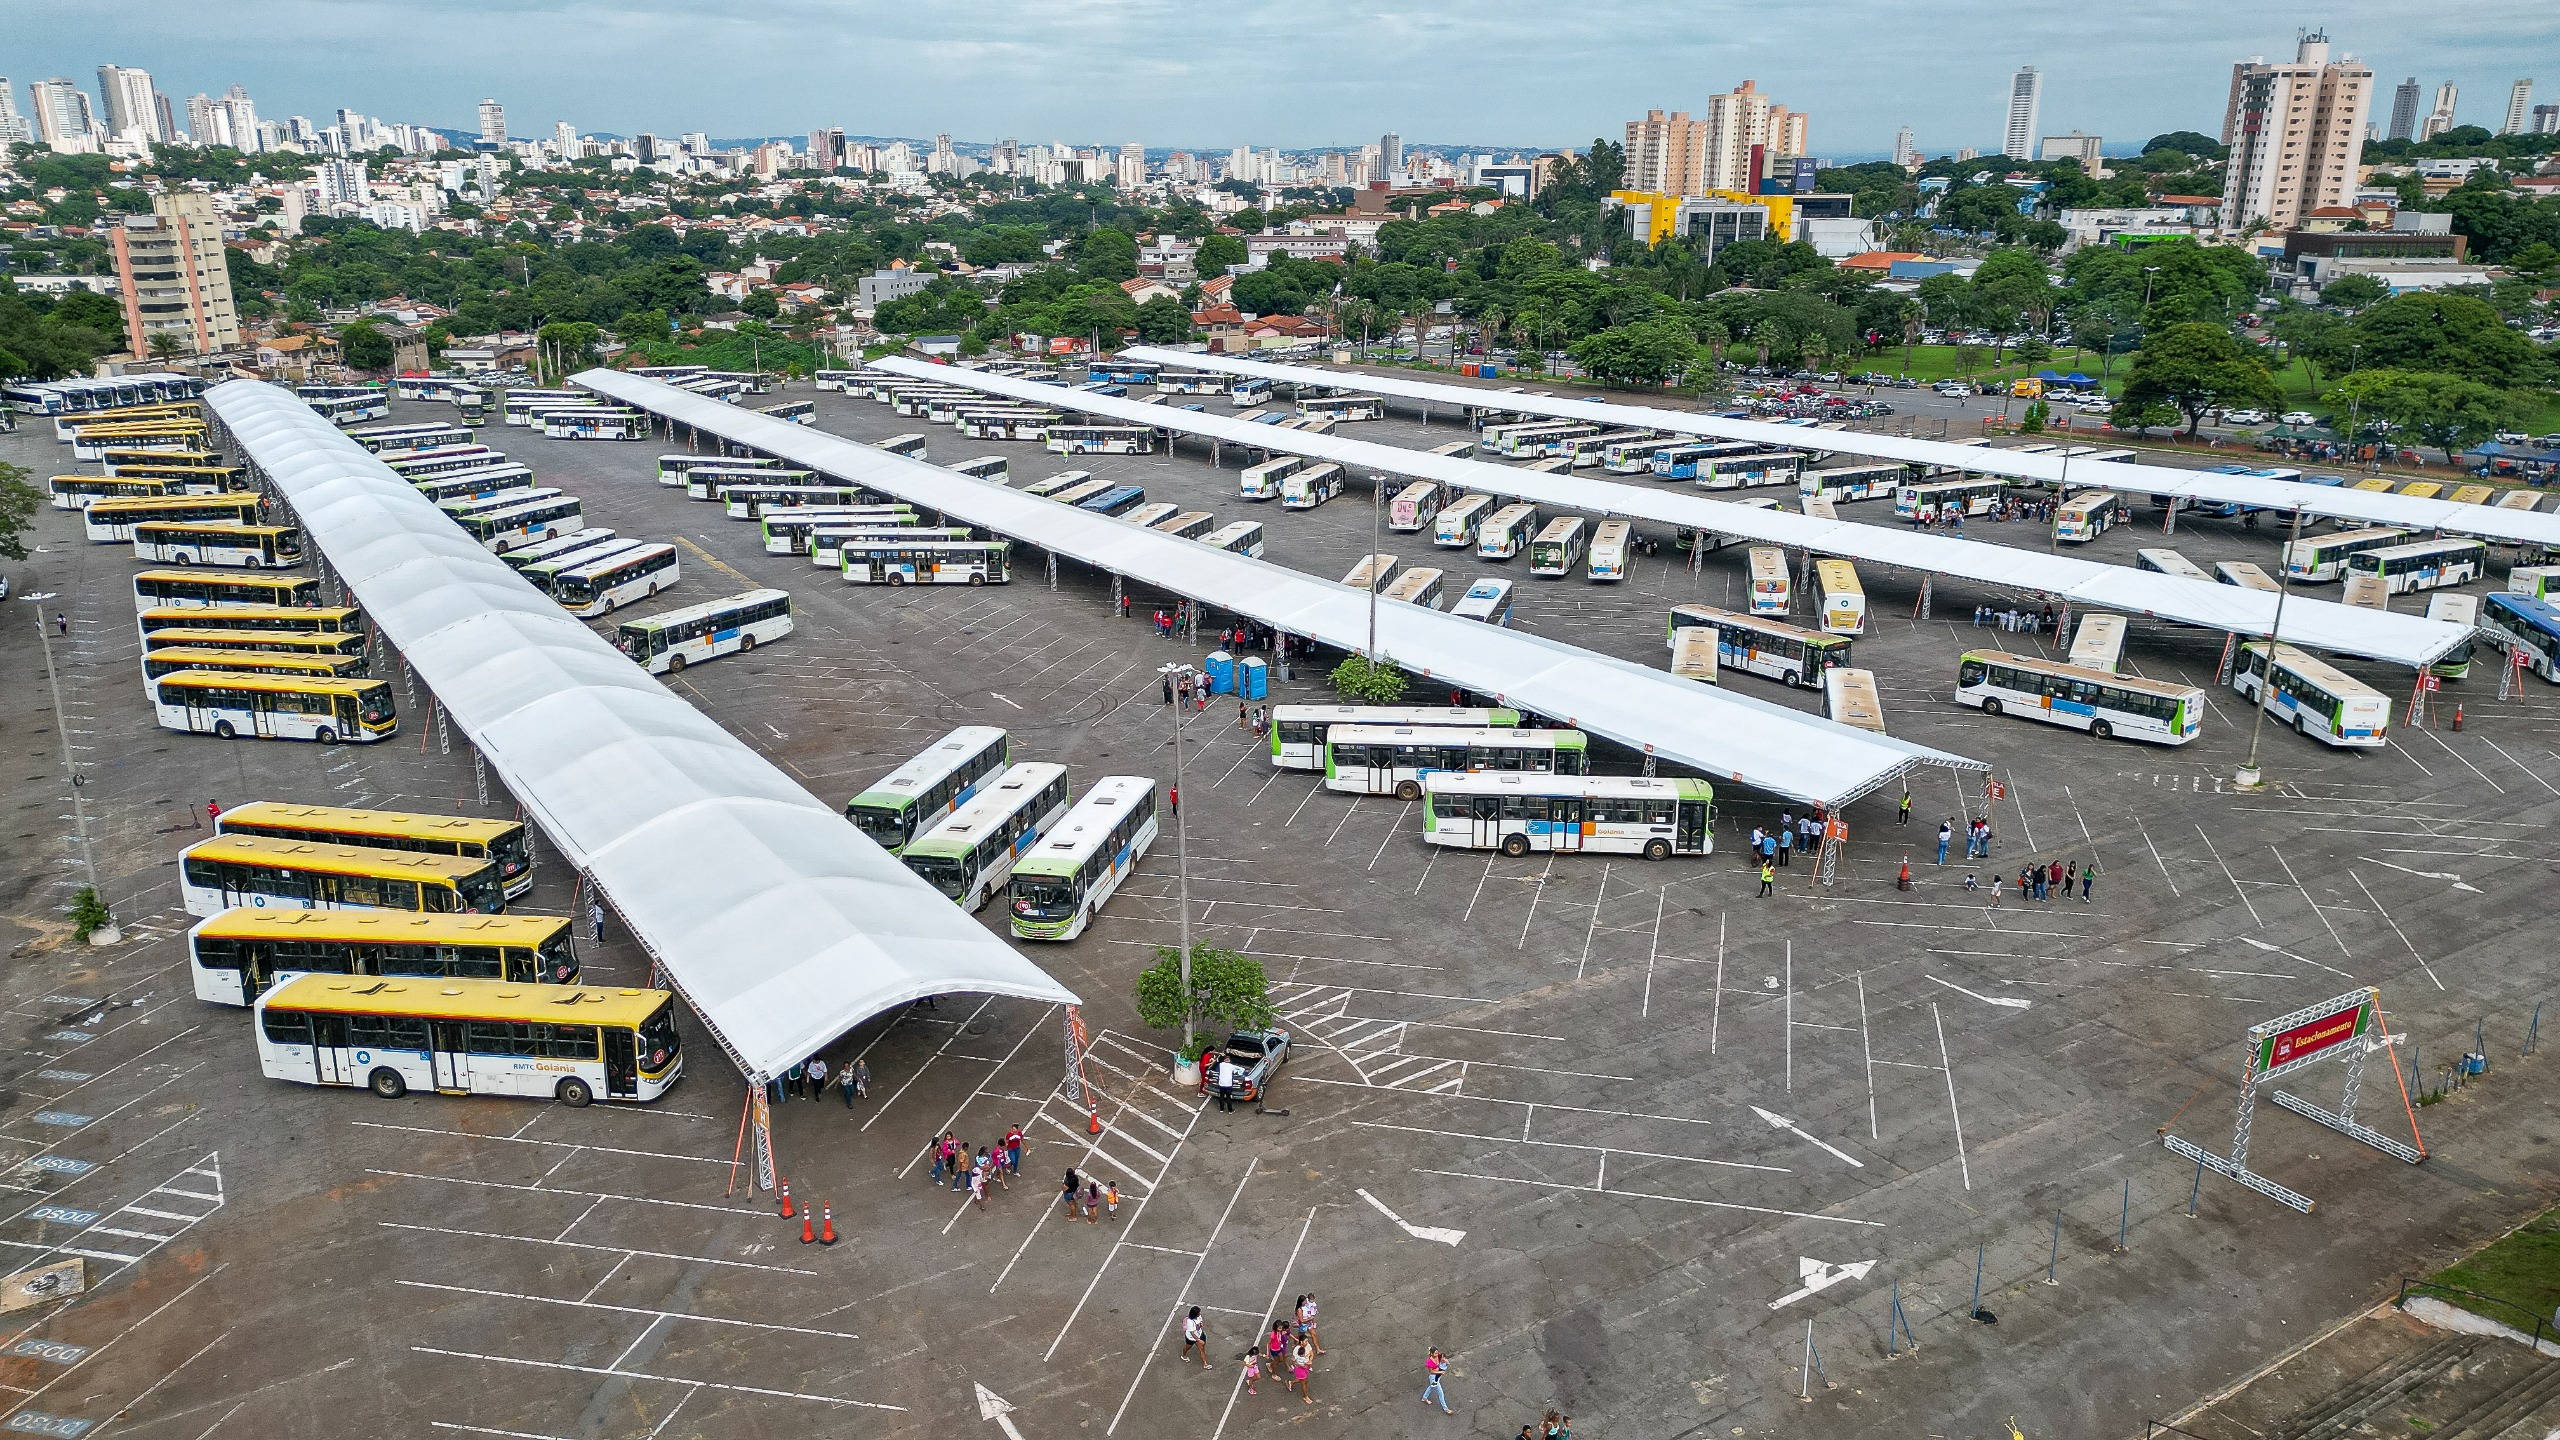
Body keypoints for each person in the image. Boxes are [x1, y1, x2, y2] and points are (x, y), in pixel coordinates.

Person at [1421, 1348, 1452, 1414]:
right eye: (1435, 1353)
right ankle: (1445, 1409)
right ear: (1431, 1354)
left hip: (1437, 1376)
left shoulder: (1438, 1356)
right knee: (1440, 1393)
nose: (1437, 1354)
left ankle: (1424, 1398)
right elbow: (1431, 1371)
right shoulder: (1429, 1362)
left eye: (1437, 1352)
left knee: (1431, 1387)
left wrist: (1446, 1361)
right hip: (1433, 1378)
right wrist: (1441, 1371)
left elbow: (1443, 1358)